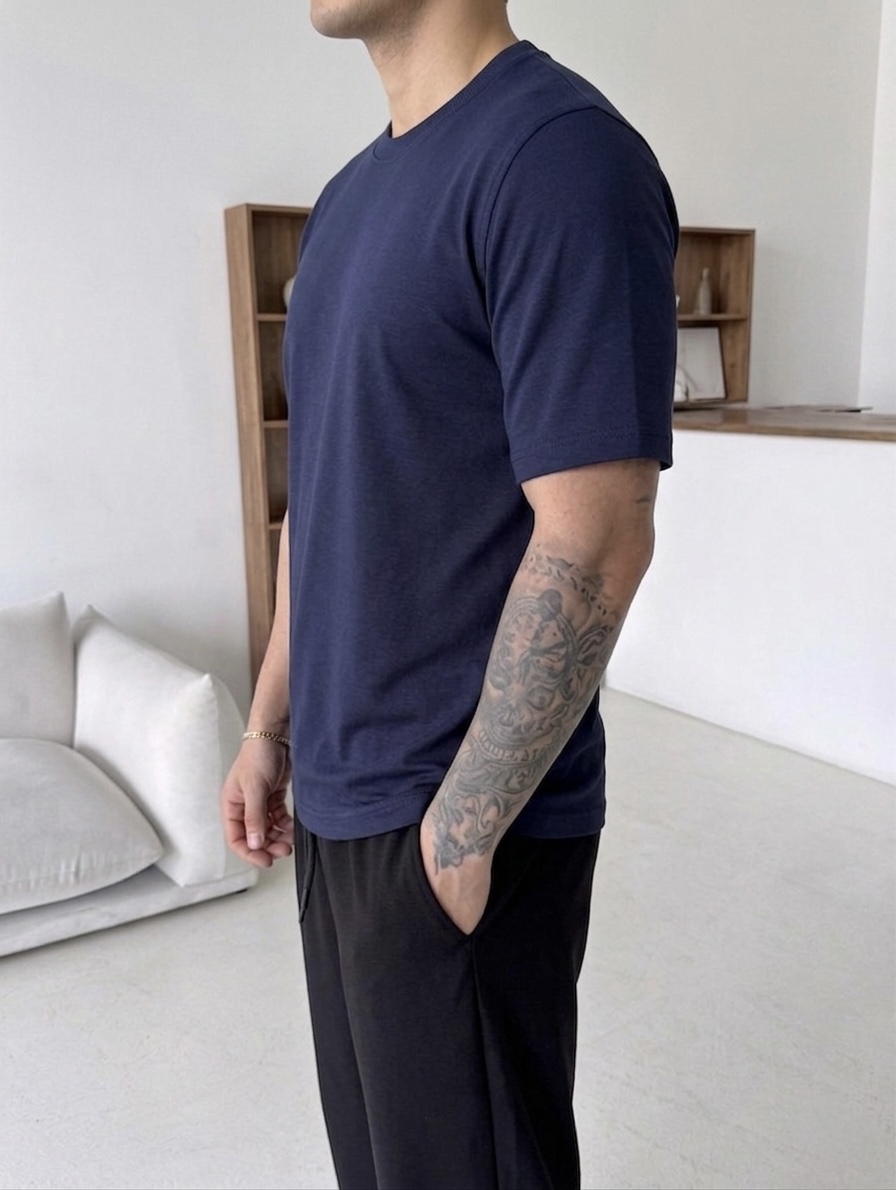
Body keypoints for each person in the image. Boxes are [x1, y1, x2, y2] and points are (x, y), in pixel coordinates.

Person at [220, 2, 678, 1187]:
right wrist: (270, 722)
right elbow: (319, 499)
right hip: (338, 805)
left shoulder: (559, 157)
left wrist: (458, 837)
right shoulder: (344, 204)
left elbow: (595, 536)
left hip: (460, 815)